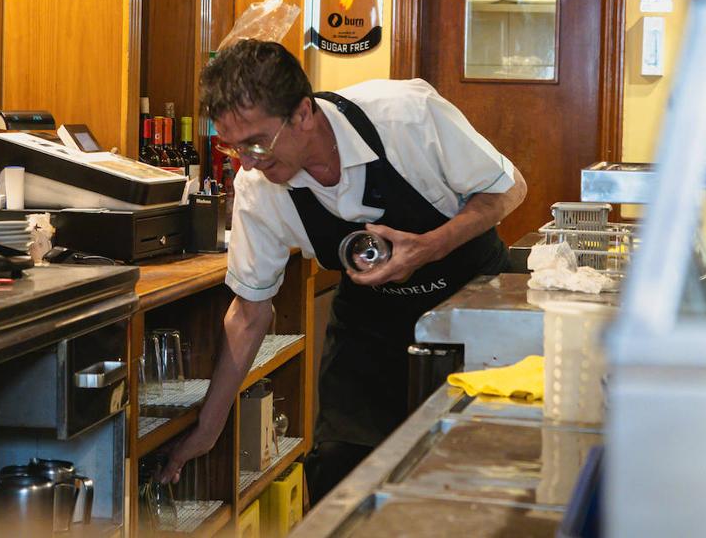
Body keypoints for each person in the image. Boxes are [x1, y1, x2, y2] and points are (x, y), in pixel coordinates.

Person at [158, 39, 527, 501]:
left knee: (469, 482)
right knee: (340, 472)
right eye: (235, 149)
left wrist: (429, 247)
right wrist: (209, 428)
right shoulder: (260, 189)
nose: (248, 162)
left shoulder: (407, 116)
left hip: (469, 312)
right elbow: (250, 314)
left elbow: (508, 190)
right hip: (370, 331)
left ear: (302, 113)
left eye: (256, 143)